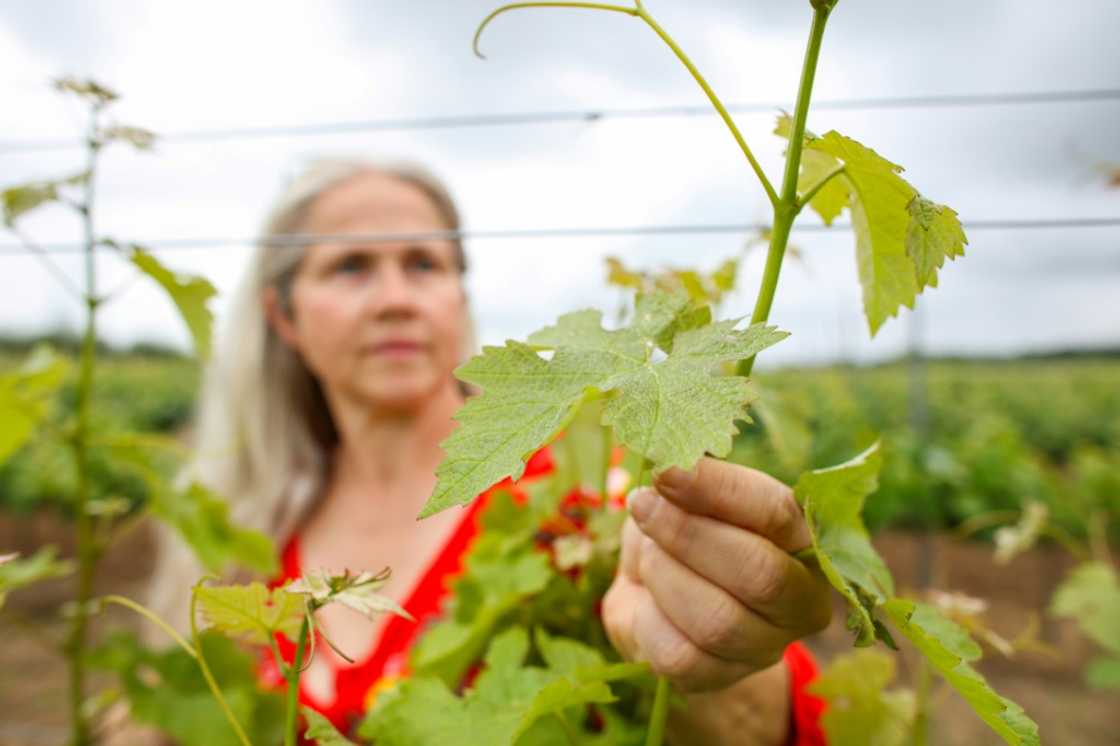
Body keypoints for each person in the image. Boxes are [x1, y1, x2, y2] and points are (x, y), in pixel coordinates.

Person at [146, 158, 833, 745]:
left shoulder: (580, 496)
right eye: (351, 266)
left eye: (424, 263)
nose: (396, 300)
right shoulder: (251, 535)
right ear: (283, 317)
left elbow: (779, 719)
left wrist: (721, 661)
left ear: (459, 296)